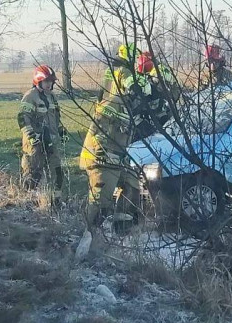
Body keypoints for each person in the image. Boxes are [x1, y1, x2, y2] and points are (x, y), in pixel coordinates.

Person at [79, 87, 140, 233]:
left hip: (117, 159)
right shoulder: (113, 103)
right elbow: (98, 128)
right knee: (101, 200)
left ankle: (120, 229)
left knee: (133, 186)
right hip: (100, 159)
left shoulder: (130, 109)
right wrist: (102, 152)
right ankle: (90, 234)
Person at [17, 64, 67, 193]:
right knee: (33, 174)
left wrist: (61, 131)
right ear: (38, 81)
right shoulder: (30, 96)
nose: (49, 85)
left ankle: (55, 202)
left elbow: (56, 117)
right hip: (36, 143)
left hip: (52, 142)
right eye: (46, 81)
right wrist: (32, 137)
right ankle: (26, 202)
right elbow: (23, 119)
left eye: (51, 82)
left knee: (57, 172)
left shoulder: (52, 97)